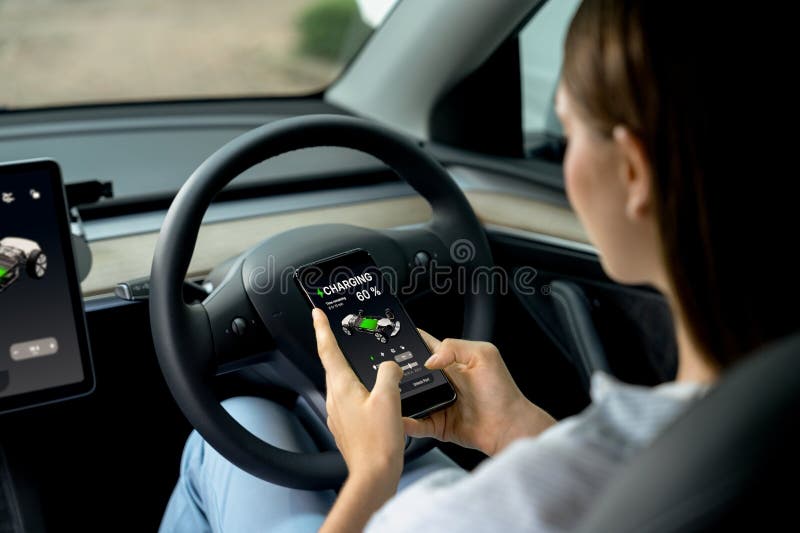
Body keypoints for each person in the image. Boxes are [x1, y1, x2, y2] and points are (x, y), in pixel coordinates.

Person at [160, 1, 796, 531]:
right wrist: (514, 429)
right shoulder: (739, 423)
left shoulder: (488, 508)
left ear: (632, 171)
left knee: (232, 437)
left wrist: (373, 476)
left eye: (568, 133)